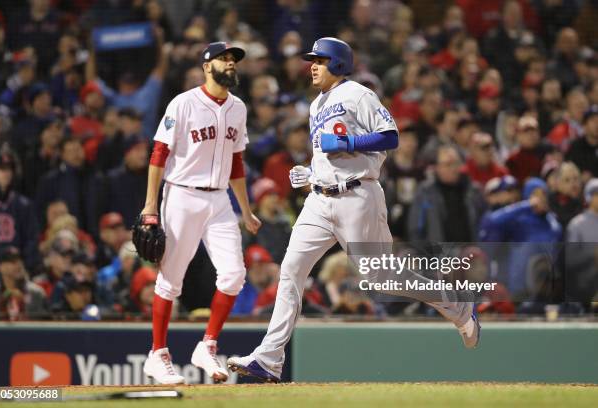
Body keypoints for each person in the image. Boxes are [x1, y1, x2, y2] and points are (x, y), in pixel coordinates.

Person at [227, 37, 481, 383]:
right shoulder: (316, 105)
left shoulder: (359, 94)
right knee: (290, 270)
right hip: (319, 199)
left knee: (381, 276)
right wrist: (310, 172)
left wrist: (348, 143)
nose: (312, 66)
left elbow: (390, 136)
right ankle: (269, 359)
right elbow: (328, 155)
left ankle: (457, 306)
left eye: (319, 60)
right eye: (312, 60)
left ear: (338, 64)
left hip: (358, 197)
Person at [140, 42, 261, 384]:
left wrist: (247, 211)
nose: (231, 64)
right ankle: (158, 355)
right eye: (224, 59)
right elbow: (158, 155)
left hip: (220, 199)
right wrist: (151, 205)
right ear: (207, 66)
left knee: (235, 274)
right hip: (182, 195)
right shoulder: (183, 103)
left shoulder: (238, 108)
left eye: (234, 60)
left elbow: (237, 162)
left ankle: (206, 346)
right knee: (171, 280)